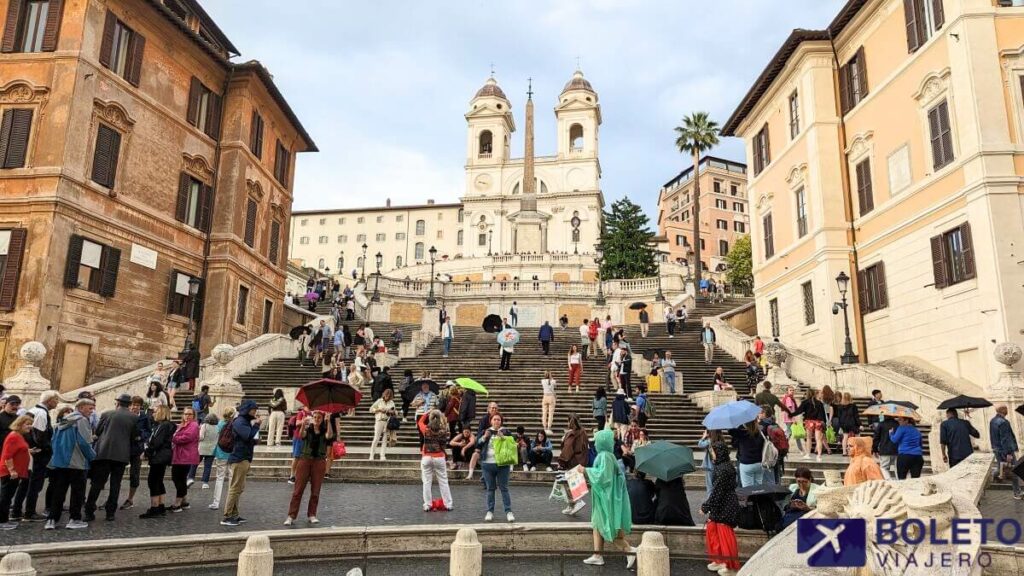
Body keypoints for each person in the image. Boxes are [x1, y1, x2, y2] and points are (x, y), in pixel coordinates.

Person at [581, 427, 636, 568]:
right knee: (598, 525)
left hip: (604, 498)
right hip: (607, 496)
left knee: (604, 525)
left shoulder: (604, 456)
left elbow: (602, 476)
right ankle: (597, 555)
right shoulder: (610, 455)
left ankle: (629, 551)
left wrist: (585, 470)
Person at [84, 393, 137, 522]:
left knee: (97, 483)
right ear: (129, 404)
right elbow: (134, 436)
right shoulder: (134, 418)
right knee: (115, 484)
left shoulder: (107, 414)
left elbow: (98, 431)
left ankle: (89, 511)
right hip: (121, 455)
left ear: (117, 403)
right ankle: (110, 513)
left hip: (104, 453)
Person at [45, 400, 95, 530]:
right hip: (77, 462)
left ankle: (52, 519)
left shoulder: (63, 421)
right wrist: (93, 457)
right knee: (77, 493)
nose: (92, 411)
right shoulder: (82, 421)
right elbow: (84, 443)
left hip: (61, 462)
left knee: (59, 492)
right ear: (81, 408)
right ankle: (75, 518)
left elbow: (53, 441)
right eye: (90, 408)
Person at [700, 441, 741, 575]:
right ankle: (719, 560)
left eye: (713, 451)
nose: (711, 454)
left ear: (719, 453)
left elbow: (718, 490)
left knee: (724, 533)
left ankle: (731, 566)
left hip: (726, 504)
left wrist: (705, 507)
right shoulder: (722, 466)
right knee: (713, 529)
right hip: (721, 503)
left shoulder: (723, 469)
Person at [285, 410, 333, 525]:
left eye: (319, 418)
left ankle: (312, 514)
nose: (317, 419)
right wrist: (303, 424)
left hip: (319, 461)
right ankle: (291, 516)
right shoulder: (308, 429)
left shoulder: (324, 431)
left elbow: (330, 435)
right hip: (305, 460)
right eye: (315, 417)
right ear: (312, 418)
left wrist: (329, 421)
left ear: (322, 420)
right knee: (298, 490)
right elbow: (301, 435)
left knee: (315, 491)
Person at [221, 399, 261, 526]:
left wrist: (255, 439)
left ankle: (234, 514)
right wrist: (256, 426)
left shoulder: (245, 421)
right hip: (239, 458)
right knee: (235, 488)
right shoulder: (240, 421)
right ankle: (227, 516)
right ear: (247, 409)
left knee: (239, 488)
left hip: (244, 457)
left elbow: (248, 439)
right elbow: (247, 436)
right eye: (253, 410)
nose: (255, 412)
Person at [20, 390, 59, 521]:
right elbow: (40, 436)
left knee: (27, 482)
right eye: (56, 400)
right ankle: (29, 512)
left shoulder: (33, 410)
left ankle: (16, 510)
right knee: (35, 484)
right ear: (49, 401)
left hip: (30, 450)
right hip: (38, 453)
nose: (57, 402)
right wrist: (47, 448)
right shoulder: (42, 413)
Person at [477, 413, 514, 522]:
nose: (496, 421)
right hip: (487, 463)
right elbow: (478, 443)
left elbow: (513, 444)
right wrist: (484, 437)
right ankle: (490, 511)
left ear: (501, 421)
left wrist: (503, 438)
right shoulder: (486, 431)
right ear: (491, 421)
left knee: (504, 488)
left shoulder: (506, 431)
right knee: (490, 489)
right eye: (494, 419)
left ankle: (508, 511)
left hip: (502, 464)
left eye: (498, 420)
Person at [139, 405, 174, 519]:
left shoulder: (163, 426)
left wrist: (147, 452)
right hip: (163, 456)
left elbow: (157, 442)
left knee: (153, 481)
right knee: (159, 480)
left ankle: (155, 508)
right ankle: (160, 506)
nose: (153, 414)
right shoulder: (167, 425)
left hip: (159, 456)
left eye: (154, 412)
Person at [0, 415, 33, 530]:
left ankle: (5, 520)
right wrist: (12, 470)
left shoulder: (19, 436)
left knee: (8, 496)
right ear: (19, 424)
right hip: (10, 473)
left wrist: (28, 451)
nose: (30, 426)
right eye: (27, 424)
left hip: (16, 472)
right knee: (5, 497)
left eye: (30, 424)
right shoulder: (14, 436)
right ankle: (2, 521)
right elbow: (7, 456)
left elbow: (18, 450)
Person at [418, 409, 453, 511]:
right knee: (443, 481)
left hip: (427, 456)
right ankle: (448, 504)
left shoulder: (426, 429)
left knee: (426, 482)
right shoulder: (444, 430)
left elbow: (420, 421)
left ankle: (427, 504)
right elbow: (445, 443)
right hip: (439, 456)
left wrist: (427, 413)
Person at [169, 407, 200, 512]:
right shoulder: (183, 425)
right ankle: (184, 501)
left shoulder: (194, 425)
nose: (187, 416)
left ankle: (177, 503)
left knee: (178, 478)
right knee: (179, 478)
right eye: (186, 414)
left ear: (193, 415)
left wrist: (173, 438)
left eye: (190, 414)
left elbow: (187, 437)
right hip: (180, 455)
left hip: (186, 456)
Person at [989, 405, 1021, 498]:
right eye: (1006, 410)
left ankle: (992, 475)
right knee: (1014, 470)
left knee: (1001, 468)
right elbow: (1005, 439)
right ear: (1004, 411)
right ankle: (1017, 492)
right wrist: (1009, 453)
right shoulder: (1004, 422)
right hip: (1005, 450)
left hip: (996, 449)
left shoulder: (992, 421)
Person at [208, 406, 235, 510]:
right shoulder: (235, 424)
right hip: (232, 454)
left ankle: (216, 502)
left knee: (220, 478)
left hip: (221, 452)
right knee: (232, 478)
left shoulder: (220, 424)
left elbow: (216, 438)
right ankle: (230, 503)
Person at [789, 388, 827, 461]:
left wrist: (791, 414)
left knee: (808, 438)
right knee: (818, 439)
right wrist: (824, 423)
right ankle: (819, 456)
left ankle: (808, 454)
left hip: (809, 422)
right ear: (814, 394)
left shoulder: (805, 402)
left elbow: (798, 411)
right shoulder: (820, 403)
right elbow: (823, 415)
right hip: (818, 422)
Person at [729, 420, 765, 488]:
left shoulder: (742, 432)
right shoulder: (760, 431)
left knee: (748, 489)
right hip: (759, 463)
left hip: (746, 463)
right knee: (758, 488)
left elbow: (730, 431)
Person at [369, 389, 396, 461]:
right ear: (384, 394)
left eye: (389, 395)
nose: (387, 396)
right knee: (376, 438)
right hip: (379, 420)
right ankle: (372, 454)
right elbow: (371, 409)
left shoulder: (392, 402)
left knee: (385, 439)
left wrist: (390, 411)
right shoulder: (379, 401)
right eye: (386, 395)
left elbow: (394, 412)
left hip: (387, 422)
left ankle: (382, 455)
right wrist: (379, 410)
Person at [193, 413, 219, 489]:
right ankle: (205, 483)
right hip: (212, 449)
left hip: (201, 448)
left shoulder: (204, 426)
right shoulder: (217, 427)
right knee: (208, 466)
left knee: (194, 464)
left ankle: (190, 478)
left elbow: (201, 437)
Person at [873, 416, 899, 480]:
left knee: (884, 468)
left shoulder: (881, 424)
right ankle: (899, 481)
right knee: (897, 468)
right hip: (896, 450)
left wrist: (874, 449)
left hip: (885, 449)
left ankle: (889, 481)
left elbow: (876, 438)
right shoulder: (898, 424)